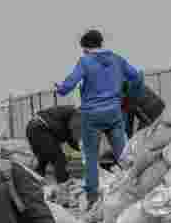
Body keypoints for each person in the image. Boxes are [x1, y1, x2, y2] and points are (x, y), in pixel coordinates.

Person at [55, 29, 144, 208]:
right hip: (114, 112)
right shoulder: (117, 59)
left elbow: (70, 84)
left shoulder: (85, 61)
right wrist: (127, 96)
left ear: (85, 48)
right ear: (101, 43)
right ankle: (138, 188)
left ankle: (92, 199)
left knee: (91, 158)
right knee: (124, 155)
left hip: (92, 115)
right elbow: (136, 76)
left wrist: (60, 88)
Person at [26, 104, 79, 187]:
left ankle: (33, 187)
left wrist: (80, 149)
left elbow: (71, 138)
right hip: (40, 128)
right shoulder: (76, 113)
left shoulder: (73, 113)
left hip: (33, 127)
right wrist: (84, 150)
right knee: (59, 159)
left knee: (43, 160)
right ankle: (64, 188)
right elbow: (72, 135)